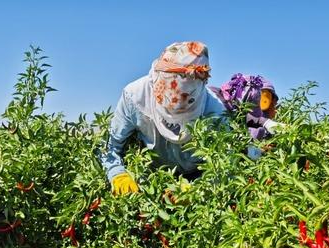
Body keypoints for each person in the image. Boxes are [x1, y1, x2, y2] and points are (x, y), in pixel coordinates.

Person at [101, 41, 227, 195]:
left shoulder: (215, 111)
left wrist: (198, 189)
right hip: (150, 179)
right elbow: (111, 146)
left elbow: (225, 164)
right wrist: (117, 173)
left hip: (195, 177)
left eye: (182, 106)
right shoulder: (135, 97)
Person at [211, 73, 283, 142]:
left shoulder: (234, 108)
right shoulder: (217, 104)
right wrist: (262, 133)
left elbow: (251, 119)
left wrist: (267, 123)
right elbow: (232, 134)